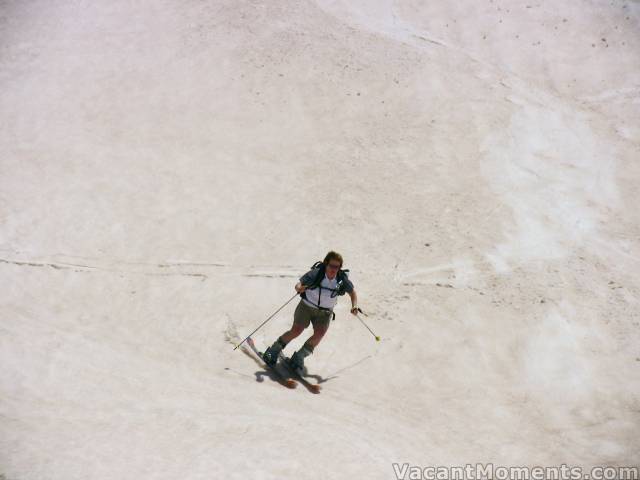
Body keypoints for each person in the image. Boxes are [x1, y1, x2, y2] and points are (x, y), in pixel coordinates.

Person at [262, 251, 358, 370]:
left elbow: (352, 293)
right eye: (331, 266)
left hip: (325, 313)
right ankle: (272, 351)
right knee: (296, 331)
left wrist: (354, 306)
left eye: (337, 267)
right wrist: (299, 288)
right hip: (306, 307)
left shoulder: (341, 279)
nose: (334, 269)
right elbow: (299, 284)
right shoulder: (316, 273)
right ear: (326, 264)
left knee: (319, 335)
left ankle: (299, 357)